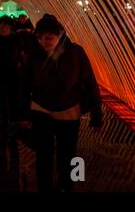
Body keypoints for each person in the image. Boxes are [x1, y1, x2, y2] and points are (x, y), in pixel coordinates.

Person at [20, 14, 102, 192]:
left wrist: (97, 114)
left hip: (69, 111)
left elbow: (90, 82)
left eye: (49, 36)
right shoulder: (34, 55)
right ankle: (45, 187)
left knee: (68, 154)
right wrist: (24, 115)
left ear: (60, 34)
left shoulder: (76, 53)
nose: (44, 41)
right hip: (41, 110)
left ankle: (67, 186)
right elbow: (24, 85)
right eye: (40, 37)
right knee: (44, 155)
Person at [0, 17, 23, 159]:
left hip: (14, 76)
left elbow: (21, 57)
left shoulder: (16, 41)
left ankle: (13, 128)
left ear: (10, 28)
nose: (3, 28)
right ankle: (4, 127)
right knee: (2, 102)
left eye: (6, 26)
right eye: (1, 26)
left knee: (14, 101)